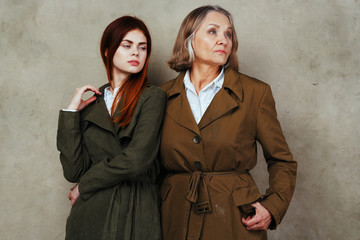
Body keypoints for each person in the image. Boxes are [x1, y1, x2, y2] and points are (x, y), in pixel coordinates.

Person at [159, 5, 297, 240]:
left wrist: (273, 207)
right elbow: (142, 162)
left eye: (228, 34)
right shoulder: (161, 96)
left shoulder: (256, 93)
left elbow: (282, 160)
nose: (223, 40)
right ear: (189, 39)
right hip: (174, 218)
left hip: (235, 220)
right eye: (213, 31)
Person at [57, 16, 165, 240]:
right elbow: (73, 172)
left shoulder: (153, 96)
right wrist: (71, 114)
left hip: (135, 208)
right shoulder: (93, 103)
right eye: (127, 45)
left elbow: (136, 159)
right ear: (107, 51)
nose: (136, 53)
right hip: (91, 213)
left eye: (142, 47)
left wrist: (84, 185)